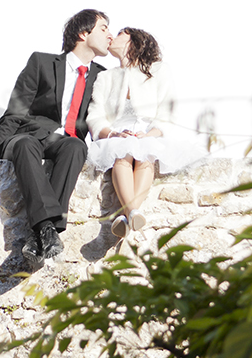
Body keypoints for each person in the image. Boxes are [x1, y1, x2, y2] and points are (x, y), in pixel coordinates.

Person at [0, 9, 110, 265]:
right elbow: (14, 113)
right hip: (28, 137)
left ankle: (41, 231)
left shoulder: (102, 75)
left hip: (64, 143)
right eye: (104, 28)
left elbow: (104, 117)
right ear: (84, 33)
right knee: (26, 143)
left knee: (75, 146)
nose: (110, 35)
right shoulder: (41, 63)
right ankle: (47, 229)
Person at [86, 27, 205, 240]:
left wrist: (151, 134)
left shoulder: (158, 70)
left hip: (148, 132)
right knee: (122, 154)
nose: (113, 35)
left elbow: (168, 111)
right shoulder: (105, 77)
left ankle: (127, 214)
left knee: (145, 156)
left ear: (134, 40)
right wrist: (112, 133)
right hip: (117, 134)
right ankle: (132, 212)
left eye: (121, 32)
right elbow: (95, 116)